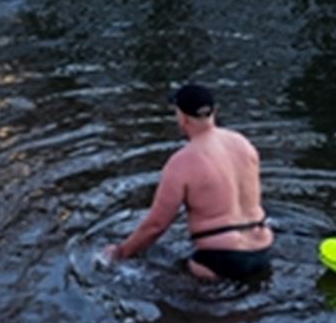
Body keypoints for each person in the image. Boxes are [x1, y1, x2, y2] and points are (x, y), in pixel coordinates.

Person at [103, 83, 273, 281]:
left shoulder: (181, 162)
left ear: (182, 118)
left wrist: (120, 252)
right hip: (262, 249)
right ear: (214, 111)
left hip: (218, 258)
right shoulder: (244, 144)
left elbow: (156, 225)